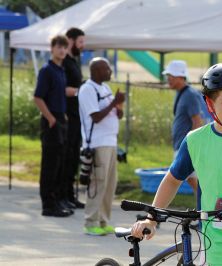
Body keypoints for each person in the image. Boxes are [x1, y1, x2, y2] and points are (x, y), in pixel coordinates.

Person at [132, 63, 222, 265]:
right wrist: (152, 218)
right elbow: (172, 180)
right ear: (210, 104)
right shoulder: (195, 140)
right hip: (213, 245)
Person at [78, 57, 125, 236]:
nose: (110, 72)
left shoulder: (105, 88)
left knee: (110, 184)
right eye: (106, 69)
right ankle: (90, 222)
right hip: (97, 143)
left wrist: (119, 105)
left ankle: (103, 221)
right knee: (97, 183)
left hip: (111, 142)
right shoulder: (87, 89)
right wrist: (114, 103)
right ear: (96, 71)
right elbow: (95, 117)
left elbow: (116, 114)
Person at [33, 35, 72, 217]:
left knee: (59, 164)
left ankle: (56, 201)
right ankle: (48, 205)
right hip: (51, 120)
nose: (62, 50)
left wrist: (62, 115)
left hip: (60, 118)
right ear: (52, 48)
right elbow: (38, 97)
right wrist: (50, 118)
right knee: (50, 164)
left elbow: (59, 96)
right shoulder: (47, 70)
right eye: (59, 47)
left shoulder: (61, 71)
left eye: (65, 47)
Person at [161, 60, 207, 192]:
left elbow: (197, 122)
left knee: (183, 180)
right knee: (192, 180)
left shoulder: (189, 95)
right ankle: (203, 209)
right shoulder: (182, 93)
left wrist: (191, 146)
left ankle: (205, 209)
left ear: (181, 77)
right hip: (182, 145)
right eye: (168, 76)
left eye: (172, 76)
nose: (168, 79)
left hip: (187, 147)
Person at [61, 27, 86, 209]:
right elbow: (63, 89)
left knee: (74, 157)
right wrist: (81, 91)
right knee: (66, 156)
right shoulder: (64, 63)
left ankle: (70, 194)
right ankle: (62, 195)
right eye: (80, 42)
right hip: (67, 116)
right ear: (70, 40)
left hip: (77, 116)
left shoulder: (74, 61)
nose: (82, 46)